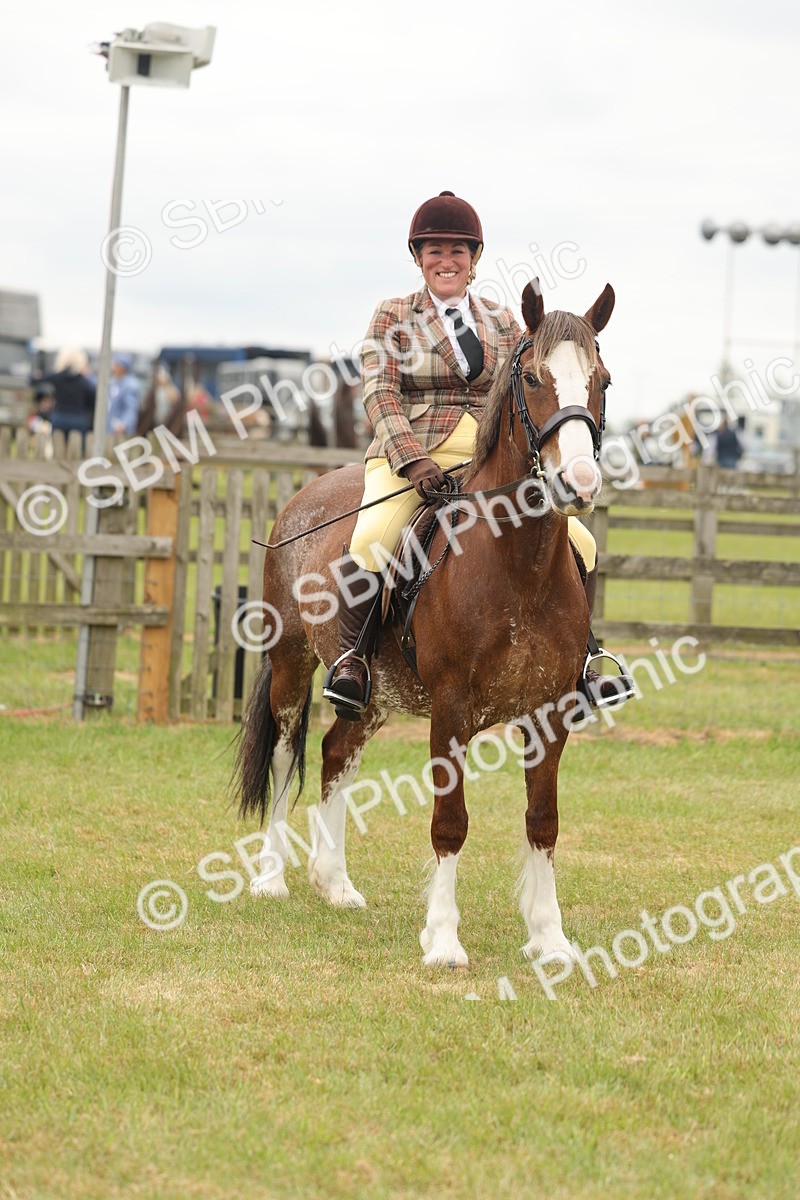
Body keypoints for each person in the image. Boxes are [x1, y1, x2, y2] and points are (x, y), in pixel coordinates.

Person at [323, 190, 631, 719]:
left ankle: (580, 662)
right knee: (374, 536)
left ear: (475, 258)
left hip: (486, 453)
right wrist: (411, 458)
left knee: (580, 541)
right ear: (418, 257)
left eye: (457, 251)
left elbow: (521, 394)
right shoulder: (394, 315)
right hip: (414, 450)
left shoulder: (503, 320)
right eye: (434, 250)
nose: (446, 261)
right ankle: (355, 662)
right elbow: (379, 391)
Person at [34, 347, 96, 441]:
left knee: (58, 447)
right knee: (78, 450)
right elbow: (93, 398)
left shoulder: (58, 378)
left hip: (60, 417)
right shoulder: (84, 382)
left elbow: (35, 380)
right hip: (79, 419)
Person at [107, 354, 141, 437]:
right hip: (109, 428)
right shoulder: (113, 382)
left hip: (120, 430)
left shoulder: (130, 385)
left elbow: (131, 408)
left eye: (116, 365)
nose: (114, 367)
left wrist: (123, 424)